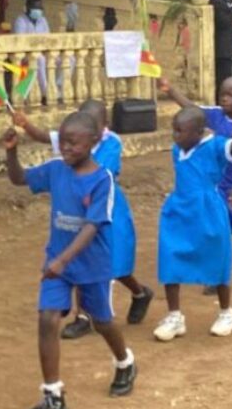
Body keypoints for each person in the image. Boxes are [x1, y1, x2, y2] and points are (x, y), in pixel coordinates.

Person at [1, 112, 136, 409]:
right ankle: (53, 394)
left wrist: (63, 260)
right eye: (62, 142)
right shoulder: (55, 170)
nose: (66, 148)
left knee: (101, 321)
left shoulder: (103, 180)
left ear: (93, 143)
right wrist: (11, 152)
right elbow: (20, 178)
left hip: (91, 264)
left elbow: (91, 227)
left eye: (73, 143)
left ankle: (124, 361)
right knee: (47, 319)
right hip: (57, 264)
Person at [13, 101, 155, 339]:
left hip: (107, 210)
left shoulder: (111, 144)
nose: (66, 145)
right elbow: (43, 137)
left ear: (100, 130)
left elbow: (98, 174)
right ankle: (88, 314)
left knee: (111, 264)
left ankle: (120, 302)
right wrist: (25, 124)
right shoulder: (74, 139)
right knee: (84, 259)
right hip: (79, 209)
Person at [160, 76, 232, 288]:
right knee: (217, 229)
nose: (224, 98)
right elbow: (192, 109)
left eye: (231, 95)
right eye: (222, 94)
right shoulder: (216, 114)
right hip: (217, 185)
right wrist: (170, 89)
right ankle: (217, 275)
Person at [152, 106, 232, 344]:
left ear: (199, 132)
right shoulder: (177, 150)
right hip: (178, 210)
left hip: (208, 211)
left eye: (180, 131)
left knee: (218, 259)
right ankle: (174, 316)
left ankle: (226, 313)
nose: (175, 136)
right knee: (170, 256)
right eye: (174, 130)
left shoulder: (215, 146)